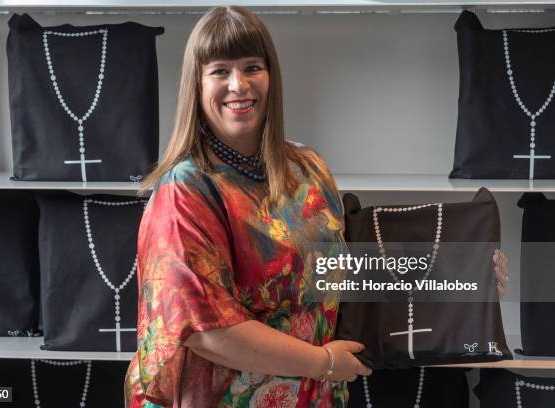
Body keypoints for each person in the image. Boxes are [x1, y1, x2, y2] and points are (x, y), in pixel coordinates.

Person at [124, 6, 510, 407]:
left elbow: (345, 277)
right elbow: (205, 329)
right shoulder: (184, 191)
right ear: (197, 85)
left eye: (252, 67)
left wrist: (466, 278)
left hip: (314, 394)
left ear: (271, 76)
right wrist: (321, 362)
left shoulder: (306, 167)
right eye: (219, 71)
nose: (238, 85)